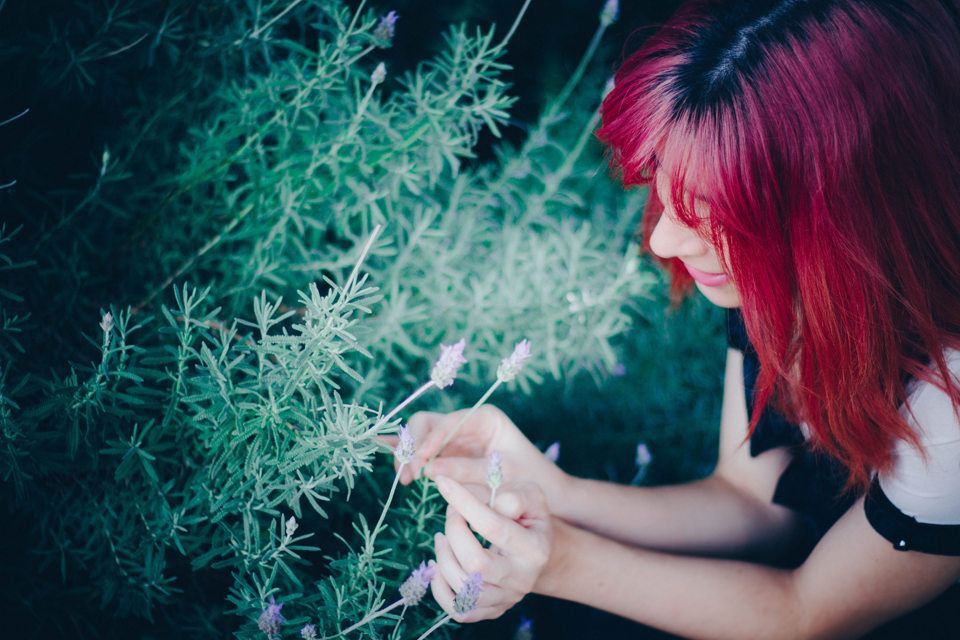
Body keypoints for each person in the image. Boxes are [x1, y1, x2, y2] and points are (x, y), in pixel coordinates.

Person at [395, 0, 960, 637]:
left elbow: (806, 613)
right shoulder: (791, 284)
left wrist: (562, 563)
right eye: (666, 186)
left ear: (848, 216)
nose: (663, 240)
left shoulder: (950, 403)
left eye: (715, 212)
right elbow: (753, 501)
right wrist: (554, 491)